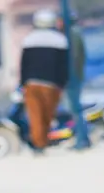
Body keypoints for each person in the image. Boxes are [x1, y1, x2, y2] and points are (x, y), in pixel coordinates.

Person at [19, 9, 69, 153]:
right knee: (48, 114)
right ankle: (42, 142)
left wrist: (23, 83)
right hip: (51, 84)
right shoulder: (60, 40)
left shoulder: (29, 39)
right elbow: (63, 66)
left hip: (32, 83)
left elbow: (24, 64)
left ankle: (39, 143)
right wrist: (62, 83)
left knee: (35, 115)